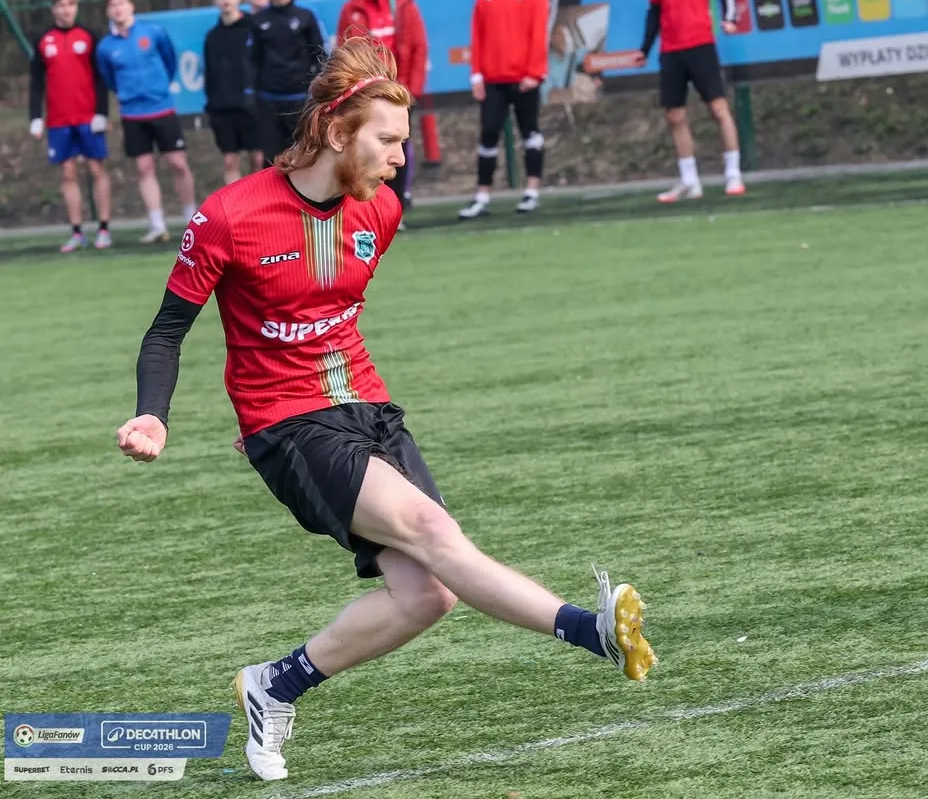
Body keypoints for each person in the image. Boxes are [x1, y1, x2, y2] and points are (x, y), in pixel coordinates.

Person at [114, 39, 657, 782]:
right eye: (389, 141)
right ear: (338, 133)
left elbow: (330, 313)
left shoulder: (382, 211)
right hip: (287, 423)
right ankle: (589, 631)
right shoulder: (229, 216)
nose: (402, 159)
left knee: (428, 594)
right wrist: (154, 415)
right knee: (434, 532)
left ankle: (274, 685)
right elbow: (166, 332)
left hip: (366, 406)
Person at [629, 0, 745, 202]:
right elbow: (655, 11)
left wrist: (730, 18)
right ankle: (689, 181)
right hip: (671, 51)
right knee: (674, 115)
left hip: (701, 45)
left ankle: (733, 173)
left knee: (718, 109)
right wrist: (644, 49)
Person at [96, 0, 196, 244]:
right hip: (132, 115)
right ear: (107, 11)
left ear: (131, 5)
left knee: (178, 163)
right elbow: (109, 79)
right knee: (144, 168)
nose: (118, 9)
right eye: (112, 5)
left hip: (162, 108)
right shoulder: (105, 47)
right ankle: (157, 224)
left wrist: (158, 88)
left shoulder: (153, 32)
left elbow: (170, 61)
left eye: (121, 3)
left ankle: (192, 220)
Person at [458, 0, 550, 218]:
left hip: (524, 78)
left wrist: (535, 73)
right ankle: (482, 196)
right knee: (488, 134)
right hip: (493, 80)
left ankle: (531, 192)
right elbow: (477, 37)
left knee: (530, 132)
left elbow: (539, 34)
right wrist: (476, 76)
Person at [338, 0, 428, 223]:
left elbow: (418, 47)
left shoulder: (403, 3)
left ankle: (396, 208)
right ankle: (366, 206)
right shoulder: (352, 9)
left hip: (398, 94)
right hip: (366, 97)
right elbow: (345, 53)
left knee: (397, 150)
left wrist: (411, 90)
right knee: (365, 149)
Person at [29, 0, 112, 252]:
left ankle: (104, 228)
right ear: (53, 8)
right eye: (61, 5)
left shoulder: (89, 35)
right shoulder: (43, 40)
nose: (66, 10)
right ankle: (77, 232)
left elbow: (100, 78)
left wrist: (102, 112)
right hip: (58, 120)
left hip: (88, 117)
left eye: (70, 4)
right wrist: (35, 117)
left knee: (96, 168)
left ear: (77, 7)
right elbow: (36, 81)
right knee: (67, 173)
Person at [251, 0, 327, 166]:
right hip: (269, 100)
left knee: (305, 155)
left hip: (300, 98)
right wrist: (252, 92)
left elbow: (319, 55)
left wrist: (316, 89)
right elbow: (252, 60)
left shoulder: (305, 16)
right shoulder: (258, 21)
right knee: (271, 160)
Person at [204, 0, 263, 183]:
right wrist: (212, 105)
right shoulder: (212, 37)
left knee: (258, 159)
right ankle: (235, 202)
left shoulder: (254, 28)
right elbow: (210, 74)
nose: (226, 0)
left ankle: (258, 199)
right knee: (230, 161)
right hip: (223, 109)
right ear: (215, 1)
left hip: (252, 106)